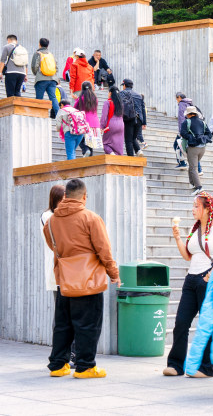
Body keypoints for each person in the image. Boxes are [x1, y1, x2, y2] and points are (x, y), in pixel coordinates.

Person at [43, 179, 121, 378]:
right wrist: (114, 273)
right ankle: (85, 367)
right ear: (84, 196)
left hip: (64, 279)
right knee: (88, 324)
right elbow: (104, 249)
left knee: (63, 323)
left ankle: (58, 365)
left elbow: (53, 245)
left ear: (66, 196)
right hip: (88, 280)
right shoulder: (91, 218)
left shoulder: (51, 220)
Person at [165, 191, 213, 378]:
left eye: (196, 206)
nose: (193, 209)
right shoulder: (195, 229)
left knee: (207, 323)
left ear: (208, 208)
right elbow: (187, 256)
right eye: (193, 206)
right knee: (181, 322)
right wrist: (177, 238)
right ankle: (176, 364)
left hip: (207, 278)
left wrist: (210, 275)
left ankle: (207, 368)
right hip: (191, 278)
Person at [180, 106, 211, 196]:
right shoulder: (202, 122)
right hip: (202, 148)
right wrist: (203, 138)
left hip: (193, 148)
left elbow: (183, 133)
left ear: (189, 114)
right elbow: (209, 134)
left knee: (193, 168)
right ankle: (193, 183)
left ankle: (199, 187)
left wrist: (191, 137)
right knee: (193, 165)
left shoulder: (187, 122)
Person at [40, 185, 66, 296]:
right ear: (55, 199)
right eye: (63, 200)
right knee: (60, 306)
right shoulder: (47, 216)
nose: (65, 203)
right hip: (56, 264)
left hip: (68, 267)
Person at [31, 38, 59, 116]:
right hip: (52, 79)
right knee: (53, 98)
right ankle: (59, 115)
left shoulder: (38, 53)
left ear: (39, 44)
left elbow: (34, 66)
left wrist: (36, 74)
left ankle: (38, 115)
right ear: (47, 45)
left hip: (41, 79)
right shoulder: (51, 54)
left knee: (39, 98)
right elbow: (56, 67)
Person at [119, 79, 145, 157]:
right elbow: (143, 108)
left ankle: (131, 157)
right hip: (139, 119)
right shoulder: (138, 95)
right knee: (133, 137)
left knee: (128, 140)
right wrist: (144, 123)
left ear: (124, 85)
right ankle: (138, 151)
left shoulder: (122, 93)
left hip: (129, 118)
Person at [75, 82, 100, 157]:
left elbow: (75, 108)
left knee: (79, 138)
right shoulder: (95, 98)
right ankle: (90, 158)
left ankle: (85, 150)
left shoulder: (81, 98)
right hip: (95, 122)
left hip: (84, 121)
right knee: (90, 143)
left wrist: (76, 99)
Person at [100, 86, 125, 155]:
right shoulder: (121, 104)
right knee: (118, 146)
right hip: (121, 125)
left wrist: (101, 127)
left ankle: (111, 153)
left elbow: (104, 116)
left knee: (105, 143)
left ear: (110, 93)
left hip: (111, 125)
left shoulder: (107, 103)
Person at [174, 93, 195, 171]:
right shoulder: (189, 103)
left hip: (184, 129)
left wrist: (181, 131)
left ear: (179, 97)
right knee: (191, 149)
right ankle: (199, 169)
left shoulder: (182, 104)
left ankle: (182, 163)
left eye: (176, 99)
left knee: (176, 145)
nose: (176, 101)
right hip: (191, 129)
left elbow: (181, 119)